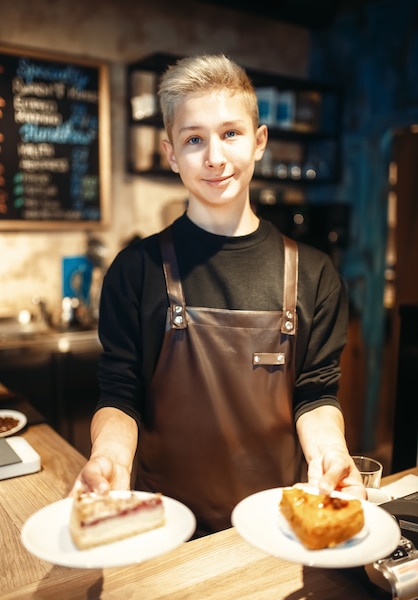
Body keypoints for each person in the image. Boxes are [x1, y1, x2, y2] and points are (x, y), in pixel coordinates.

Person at [72, 54, 365, 536]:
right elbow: (121, 394)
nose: (214, 157)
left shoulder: (314, 274)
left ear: (259, 141)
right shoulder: (136, 271)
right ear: (170, 153)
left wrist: (332, 453)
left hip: (281, 527)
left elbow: (315, 393)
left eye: (230, 133)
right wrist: (108, 457)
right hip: (161, 530)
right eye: (193, 139)